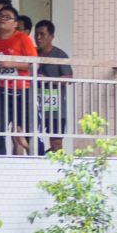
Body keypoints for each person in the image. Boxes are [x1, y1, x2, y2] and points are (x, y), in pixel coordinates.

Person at [0, 4, 37, 155]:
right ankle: (0, 163)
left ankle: (34, 158)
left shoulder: (23, 39)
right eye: (0, 16)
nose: (2, 19)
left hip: (21, 91)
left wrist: (12, 63)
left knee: (27, 130)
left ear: (15, 23)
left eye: (7, 17)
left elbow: (34, 64)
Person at [33, 19, 72, 153]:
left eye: (42, 34)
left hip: (55, 107)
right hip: (35, 105)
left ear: (51, 36)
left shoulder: (60, 55)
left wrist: (47, 80)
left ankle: (56, 164)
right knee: (31, 139)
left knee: (56, 142)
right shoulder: (32, 53)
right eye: (36, 34)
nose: (38, 38)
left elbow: (68, 78)